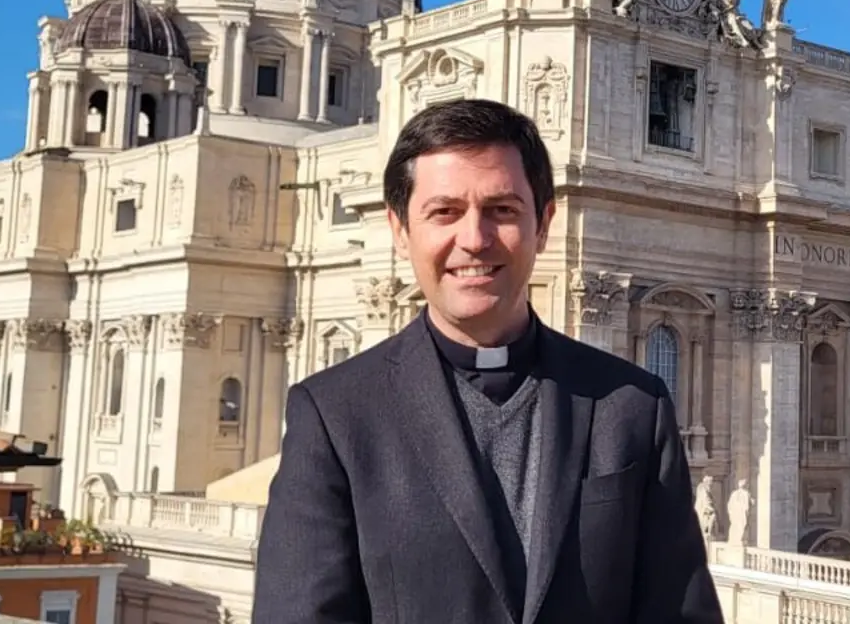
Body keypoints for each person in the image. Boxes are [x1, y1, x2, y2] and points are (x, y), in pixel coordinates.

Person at [252, 99, 723, 624]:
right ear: (400, 229)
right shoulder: (334, 415)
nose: (474, 240)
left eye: (502, 210)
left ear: (543, 224)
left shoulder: (633, 406)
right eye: (444, 212)